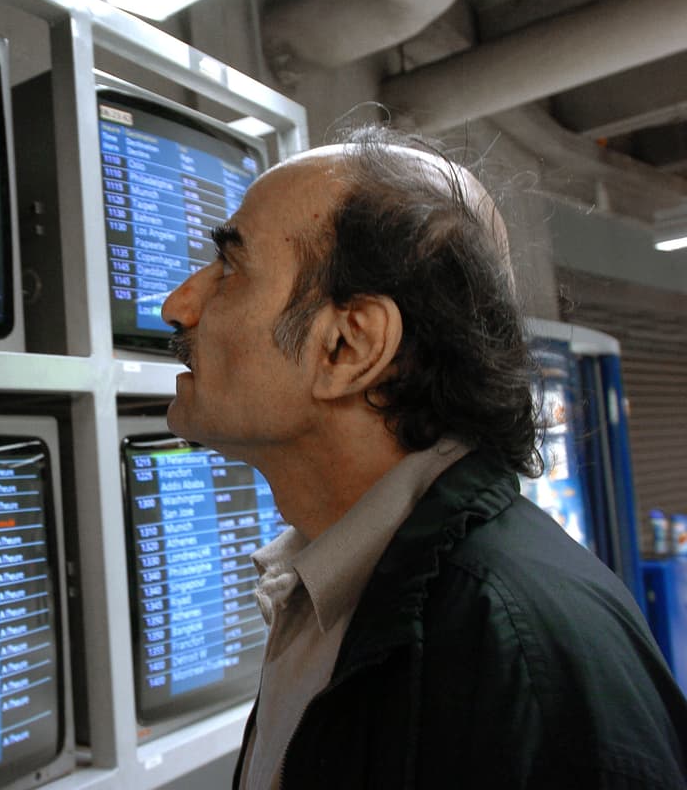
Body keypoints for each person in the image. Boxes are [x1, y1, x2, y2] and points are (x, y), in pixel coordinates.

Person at [159, 125, 687, 789]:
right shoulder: (338, 590)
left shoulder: (518, 653)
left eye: (230, 270)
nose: (176, 306)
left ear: (350, 348)